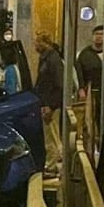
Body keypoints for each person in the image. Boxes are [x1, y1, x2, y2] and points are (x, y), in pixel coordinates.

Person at [34, 34, 64, 179]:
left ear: (45, 43)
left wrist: (50, 105)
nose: (35, 45)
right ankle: (53, 164)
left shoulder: (52, 60)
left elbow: (58, 84)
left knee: (51, 136)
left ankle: (52, 166)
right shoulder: (46, 58)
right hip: (46, 103)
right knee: (51, 135)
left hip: (50, 105)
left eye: (37, 42)